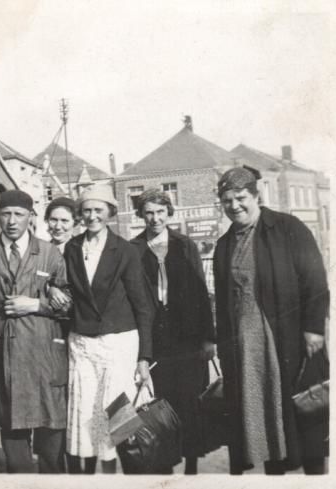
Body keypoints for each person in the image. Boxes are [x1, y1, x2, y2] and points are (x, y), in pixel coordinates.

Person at [213, 167, 329, 475]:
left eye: (240, 198)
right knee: (259, 413)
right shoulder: (224, 245)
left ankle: (315, 475)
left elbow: (315, 279)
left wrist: (314, 328)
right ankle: (274, 474)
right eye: (226, 200)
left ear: (256, 196)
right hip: (245, 347)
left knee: (303, 411)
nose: (234, 206)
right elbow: (223, 306)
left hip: (286, 338)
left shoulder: (287, 228)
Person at [0, 190, 69, 473]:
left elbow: (70, 303)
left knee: (51, 439)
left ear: (30, 217)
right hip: (4, 357)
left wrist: (37, 304)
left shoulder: (49, 253)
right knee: (14, 440)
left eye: (19, 214)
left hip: (45, 356)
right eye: (6, 214)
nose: (12, 221)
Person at [62, 185, 154, 474]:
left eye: (98, 210)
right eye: (86, 210)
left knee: (116, 418)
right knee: (86, 413)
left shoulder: (125, 250)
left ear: (110, 213)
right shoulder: (72, 247)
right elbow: (69, 290)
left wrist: (144, 357)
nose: (92, 216)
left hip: (118, 342)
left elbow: (142, 305)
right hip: (83, 342)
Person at [130, 188, 216, 474]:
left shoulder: (185, 245)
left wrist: (207, 337)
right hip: (153, 336)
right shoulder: (133, 248)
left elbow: (201, 293)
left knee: (189, 400)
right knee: (158, 403)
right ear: (141, 215)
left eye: (160, 212)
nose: (154, 218)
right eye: (149, 212)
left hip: (186, 337)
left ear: (169, 213)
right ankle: (164, 465)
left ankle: (191, 466)